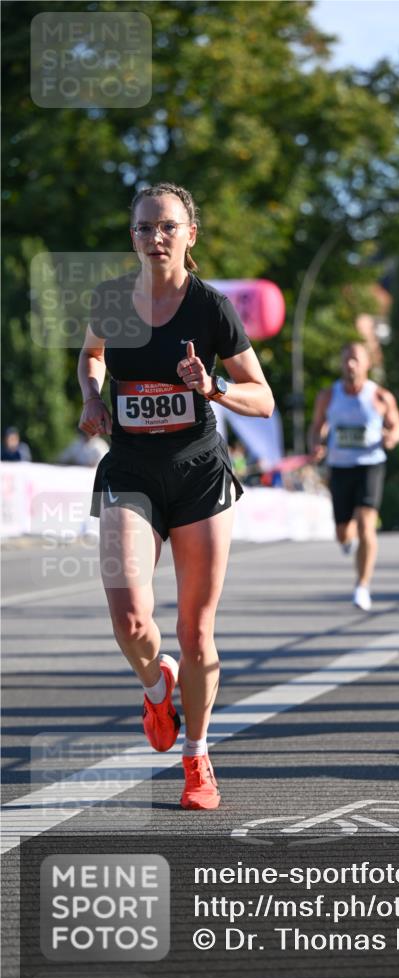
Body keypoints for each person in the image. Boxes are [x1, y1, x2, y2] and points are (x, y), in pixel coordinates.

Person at [79, 182, 273, 809]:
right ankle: (156, 687)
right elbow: (93, 356)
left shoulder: (212, 309)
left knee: (195, 632)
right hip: (130, 467)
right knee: (132, 620)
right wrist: (91, 396)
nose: (154, 238)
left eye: (166, 227)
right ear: (131, 236)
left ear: (191, 235)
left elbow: (263, 400)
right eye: (143, 228)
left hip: (198, 472)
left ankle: (197, 758)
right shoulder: (112, 299)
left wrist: (211, 387)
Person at [309, 343, 399, 611]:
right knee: (342, 531)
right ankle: (347, 541)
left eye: (355, 360)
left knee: (366, 525)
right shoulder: (328, 395)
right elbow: (317, 427)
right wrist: (316, 444)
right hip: (339, 467)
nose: (350, 365)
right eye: (346, 359)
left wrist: (391, 437)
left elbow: (397, 426)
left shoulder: (380, 397)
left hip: (370, 465)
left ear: (366, 364)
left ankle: (362, 586)